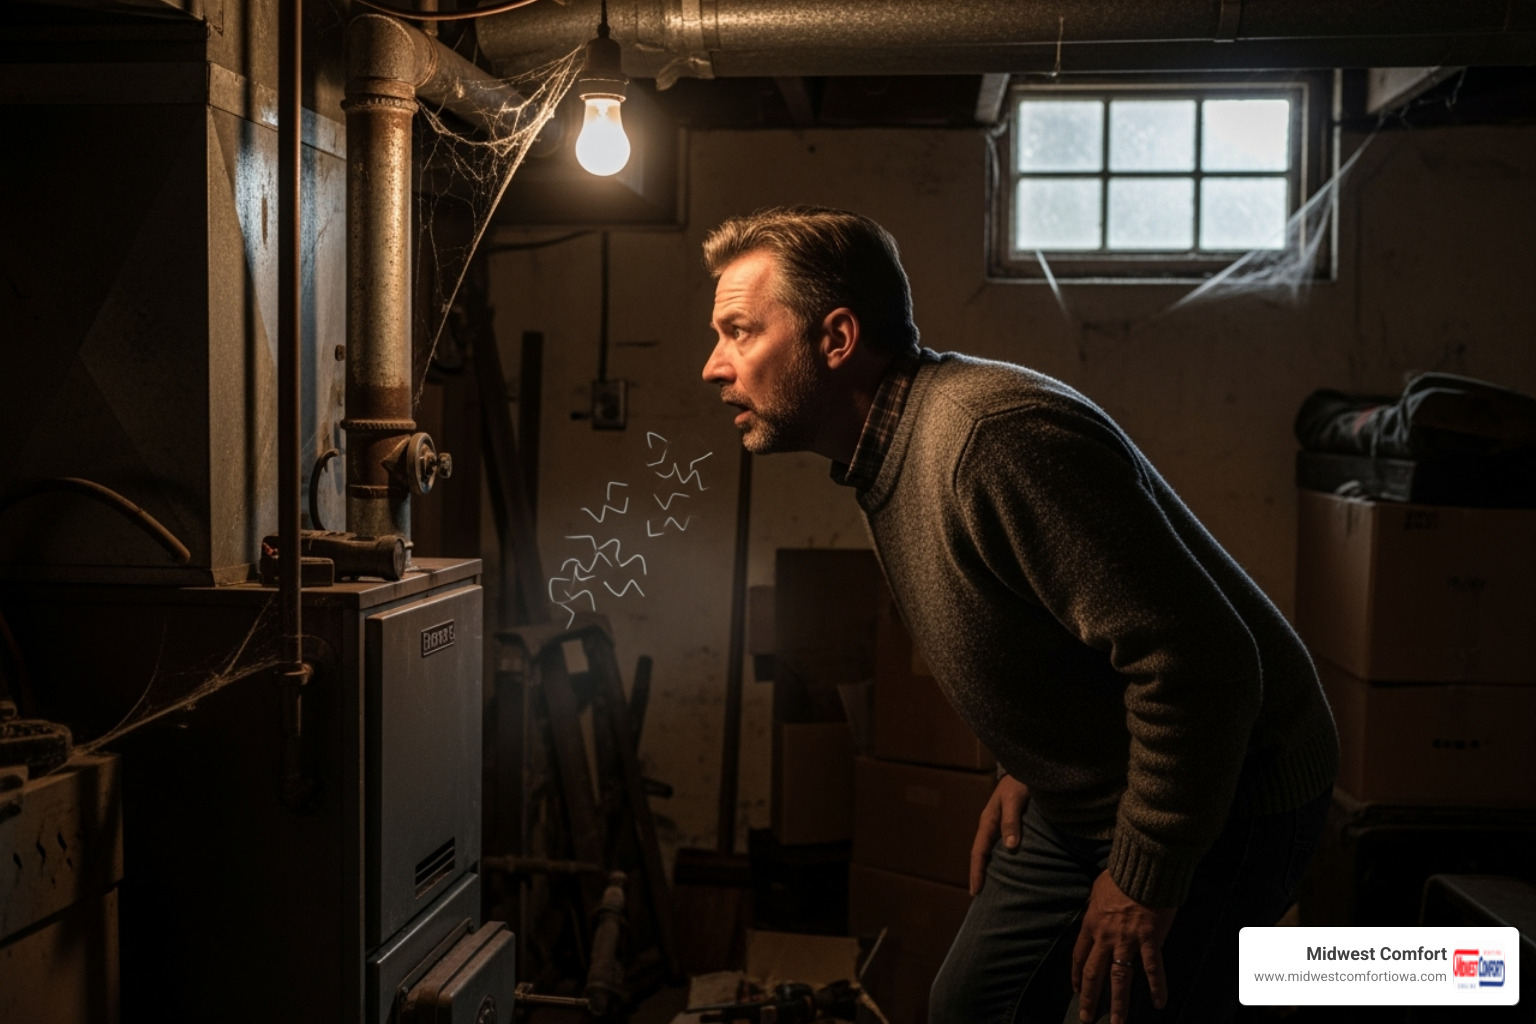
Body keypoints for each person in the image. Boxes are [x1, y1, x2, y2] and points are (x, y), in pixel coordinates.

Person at [699, 206, 1338, 1024]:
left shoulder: (989, 442)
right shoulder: (883, 453)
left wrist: (1143, 877)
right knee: (970, 1005)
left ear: (837, 339)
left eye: (739, 332)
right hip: (1085, 795)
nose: (714, 367)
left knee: (1115, 1011)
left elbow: (1203, 664)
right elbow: (1045, 622)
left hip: (1228, 791)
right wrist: (1029, 763)